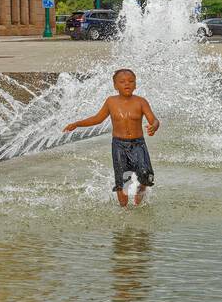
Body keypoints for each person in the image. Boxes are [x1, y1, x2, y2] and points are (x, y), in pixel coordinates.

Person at [63, 67, 159, 206]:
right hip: (119, 145)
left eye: (131, 81)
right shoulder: (111, 102)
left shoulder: (141, 102)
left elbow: (154, 120)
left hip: (138, 144)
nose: (127, 84)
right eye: (122, 82)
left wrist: (154, 126)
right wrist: (77, 124)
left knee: (146, 175)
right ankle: (125, 211)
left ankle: (140, 197)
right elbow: (97, 119)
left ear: (135, 84)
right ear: (115, 86)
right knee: (123, 180)